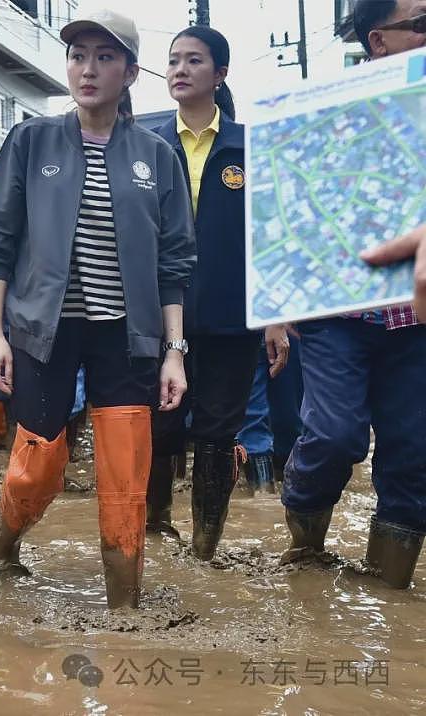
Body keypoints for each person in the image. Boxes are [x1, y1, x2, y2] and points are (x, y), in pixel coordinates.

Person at [0, 10, 196, 609]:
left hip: (128, 335)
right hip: (44, 331)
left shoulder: (157, 156)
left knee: (125, 474)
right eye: (78, 55)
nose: (87, 68)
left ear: (130, 72)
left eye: (104, 56)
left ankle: (125, 604)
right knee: (37, 463)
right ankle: (2, 547)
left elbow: (174, 263)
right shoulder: (32, 140)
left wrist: (174, 351)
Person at [280, 0, 426, 589]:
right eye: (421, 24)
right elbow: (288, 212)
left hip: (416, 321)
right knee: (335, 436)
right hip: (337, 316)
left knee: (414, 453)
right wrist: (278, 307)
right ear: (379, 41)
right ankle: (306, 554)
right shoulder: (324, 115)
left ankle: (389, 595)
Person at [147, 26, 291, 558]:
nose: (179, 70)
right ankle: (155, 532)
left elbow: (271, 236)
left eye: (194, 61)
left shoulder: (250, 148)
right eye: (173, 61)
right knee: (158, 430)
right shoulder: (149, 146)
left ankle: (205, 549)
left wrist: (275, 316)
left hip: (232, 318)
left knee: (215, 432)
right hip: (159, 317)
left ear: (221, 74)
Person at [236, 333, 303, 495]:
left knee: (290, 419)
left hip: (291, 323)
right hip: (242, 326)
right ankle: (263, 492)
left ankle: (283, 486)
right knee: (253, 419)